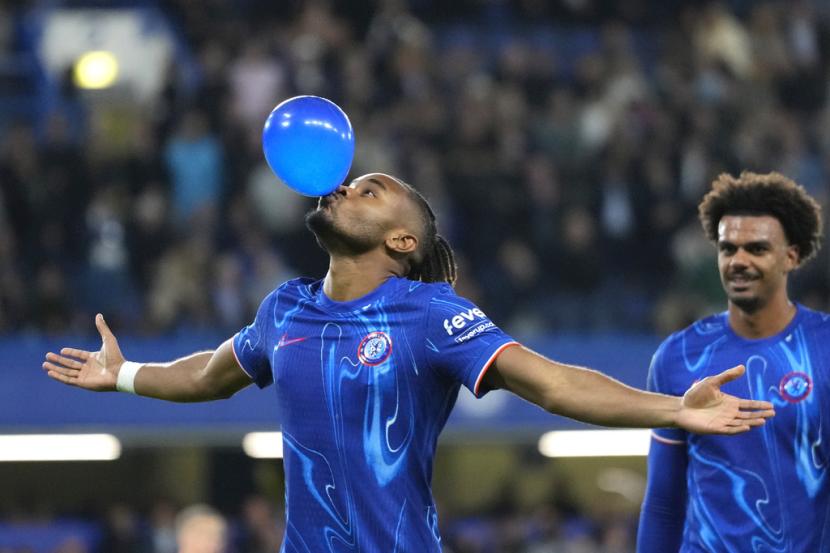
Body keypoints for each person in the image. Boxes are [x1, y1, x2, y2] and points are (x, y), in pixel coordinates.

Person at [43, 173, 774, 551]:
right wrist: (127, 374)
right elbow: (207, 374)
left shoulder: (430, 314)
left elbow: (552, 382)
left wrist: (674, 407)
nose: (347, 185)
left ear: (400, 243)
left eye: (371, 190)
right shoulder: (284, 308)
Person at [637, 171, 828, 552]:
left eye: (756, 249)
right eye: (728, 249)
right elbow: (663, 502)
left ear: (791, 256)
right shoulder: (678, 356)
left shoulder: (825, 348)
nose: (738, 261)